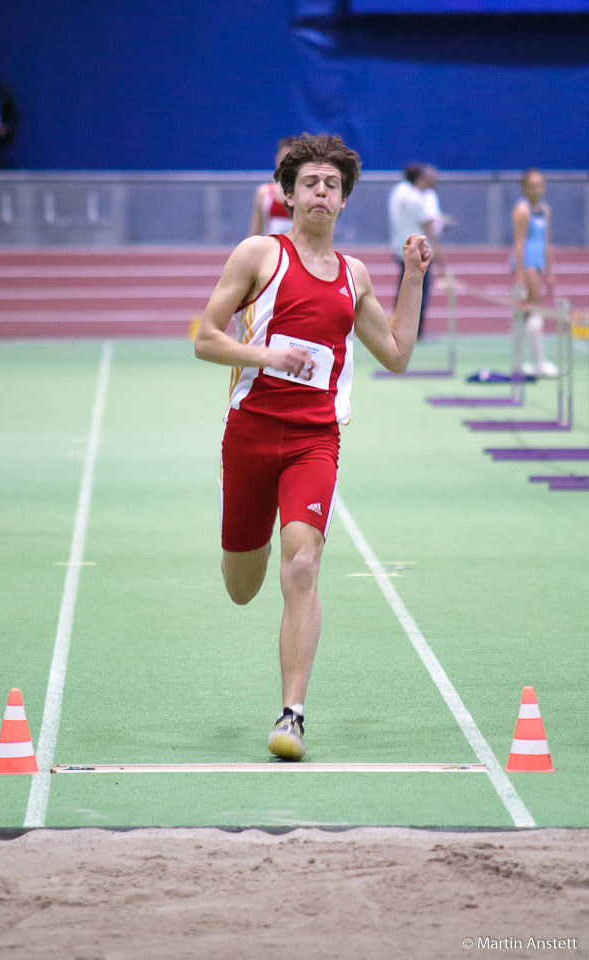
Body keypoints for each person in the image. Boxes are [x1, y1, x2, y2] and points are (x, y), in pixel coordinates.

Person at [195, 133, 431, 761]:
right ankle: (241, 541)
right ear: (290, 195)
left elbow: (399, 355)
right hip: (248, 435)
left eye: (332, 184)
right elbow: (205, 339)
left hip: (313, 441)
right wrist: (266, 353)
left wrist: (412, 276)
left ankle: (291, 716)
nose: (320, 192)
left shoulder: (353, 276)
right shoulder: (258, 255)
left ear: (344, 199)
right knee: (242, 585)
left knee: (302, 567)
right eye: (310, 183)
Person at [511, 168, 558, 377]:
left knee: (528, 312)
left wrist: (550, 269)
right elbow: (518, 243)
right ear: (524, 188)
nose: (537, 189)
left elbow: (547, 242)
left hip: (538, 262)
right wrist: (520, 274)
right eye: (532, 185)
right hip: (526, 263)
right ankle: (538, 362)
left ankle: (523, 362)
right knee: (532, 309)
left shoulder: (545, 209)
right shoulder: (522, 210)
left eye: (540, 184)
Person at [388, 164, 434, 339]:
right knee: (418, 290)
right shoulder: (415, 198)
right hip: (416, 249)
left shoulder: (398, 192)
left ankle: (396, 328)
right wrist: (437, 250)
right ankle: (416, 332)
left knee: (403, 289)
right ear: (418, 179)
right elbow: (427, 225)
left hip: (400, 245)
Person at [248, 137, 298, 237]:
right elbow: (255, 233)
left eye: (291, 160)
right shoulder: (263, 193)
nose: (286, 165)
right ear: (277, 160)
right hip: (271, 251)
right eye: (283, 159)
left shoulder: (306, 195)